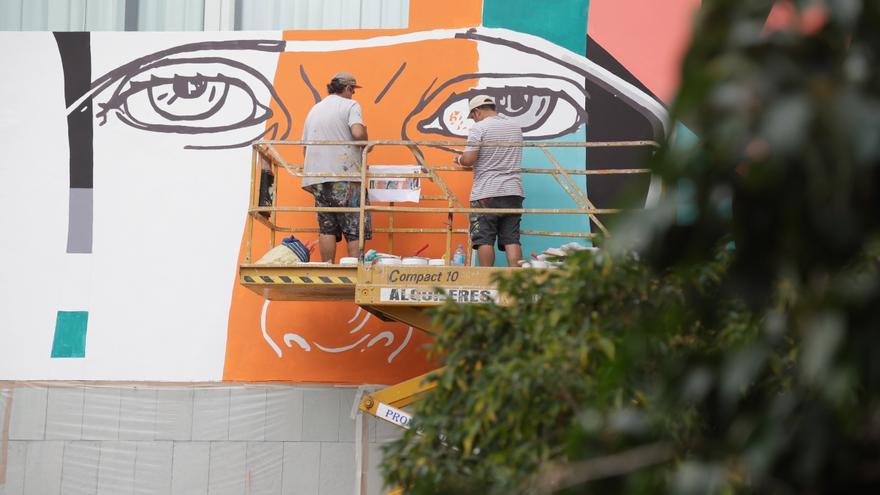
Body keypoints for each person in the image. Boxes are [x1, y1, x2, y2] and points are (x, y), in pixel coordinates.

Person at [301, 71, 371, 262]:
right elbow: (357, 133)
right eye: (353, 90)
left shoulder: (315, 109)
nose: (353, 94)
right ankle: (355, 268)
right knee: (354, 226)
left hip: (319, 177)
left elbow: (305, 149)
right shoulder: (350, 105)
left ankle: (327, 267)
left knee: (327, 226)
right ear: (348, 88)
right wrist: (366, 141)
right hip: (345, 176)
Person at [455, 95, 524, 267]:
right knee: (512, 238)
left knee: (484, 238)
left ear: (477, 111)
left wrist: (459, 159)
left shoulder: (479, 128)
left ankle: (487, 279)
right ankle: (517, 282)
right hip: (513, 191)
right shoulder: (515, 127)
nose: (473, 120)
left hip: (486, 192)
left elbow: (469, 159)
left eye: (472, 117)